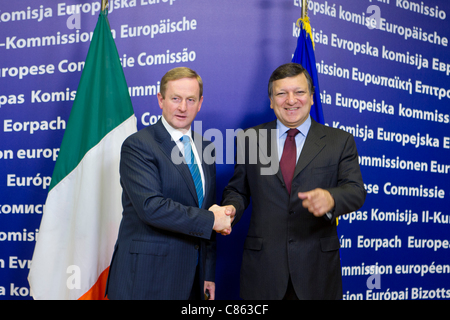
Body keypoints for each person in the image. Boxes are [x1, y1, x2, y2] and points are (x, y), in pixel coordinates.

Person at [221, 63, 366, 300]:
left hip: (317, 272)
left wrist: (331, 198)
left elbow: (356, 191)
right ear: (271, 100)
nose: (291, 100)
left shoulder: (340, 141)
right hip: (263, 272)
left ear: (311, 97)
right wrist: (230, 209)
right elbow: (238, 190)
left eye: (299, 92)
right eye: (281, 93)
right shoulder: (250, 139)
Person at [105, 67, 231, 300]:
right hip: (146, 280)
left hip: (193, 281)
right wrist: (213, 219)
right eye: (175, 98)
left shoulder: (206, 149)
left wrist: (208, 273)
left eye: (190, 99)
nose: (183, 107)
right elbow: (151, 208)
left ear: (200, 103)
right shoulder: (138, 145)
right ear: (161, 100)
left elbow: (208, 209)